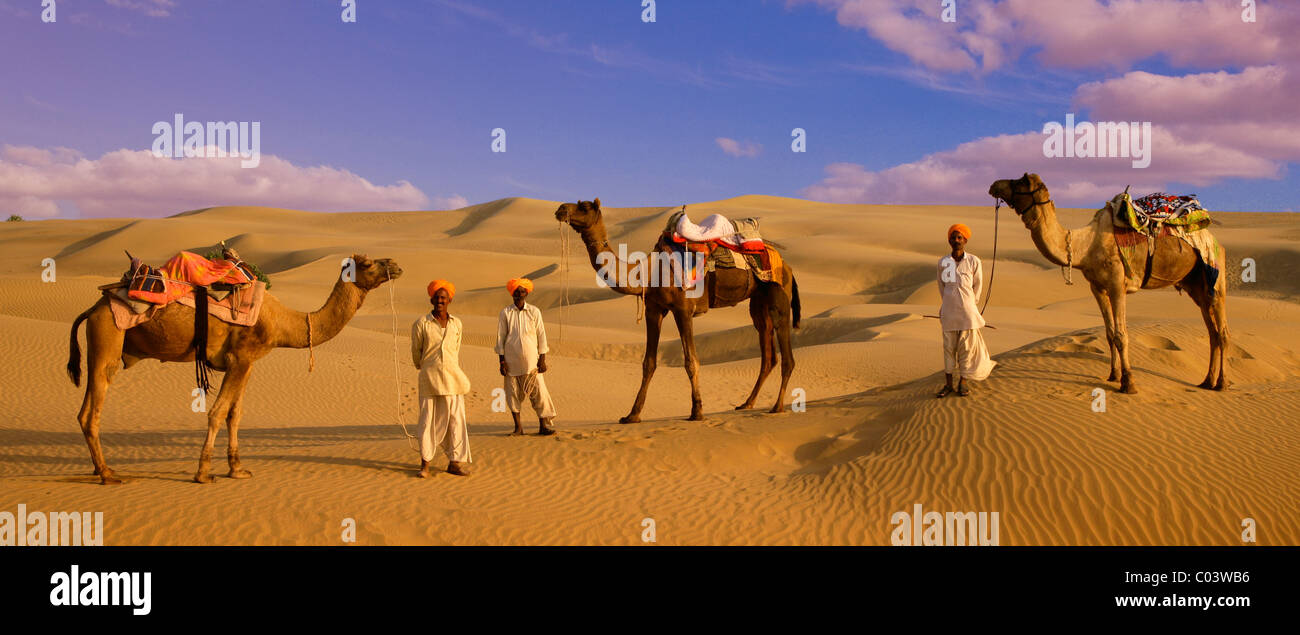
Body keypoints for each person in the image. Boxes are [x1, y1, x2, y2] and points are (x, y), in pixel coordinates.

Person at [411, 280, 473, 477]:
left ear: (450, 300)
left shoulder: (457, 324)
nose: (440, 300)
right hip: (429, 379)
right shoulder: (421, 323)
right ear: (431, 299)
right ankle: (425, 464)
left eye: (443, 298)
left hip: (453, 379)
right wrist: (429, 366)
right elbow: (416, 353)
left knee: (456, 421)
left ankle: (455, 462)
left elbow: (456, 349)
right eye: (437, 297)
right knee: (427, 422)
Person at [936, 223, 996, 397]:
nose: (956, 240)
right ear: (949, 240)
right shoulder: (943, 262)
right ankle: (948, 385)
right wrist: (949, 301)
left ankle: (963, 381)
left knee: (967, 348)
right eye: (953, 237)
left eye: (959, 237)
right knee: (948, 348)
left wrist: (971, 303)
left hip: (967, 312)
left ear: (965, 240)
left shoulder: (973, 261)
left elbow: (978, 285)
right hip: (948, 312)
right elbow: (943, 287)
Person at [494, 277, 557, 436]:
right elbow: (500, 338)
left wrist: (542, 359)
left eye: (522, 291)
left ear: (526, 293)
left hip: (532, 362)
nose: (519, 294)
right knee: (512, 394)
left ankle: (543, 425)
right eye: (516, 291)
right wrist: (502, 362)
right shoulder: (505, 313)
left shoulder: (534, 311)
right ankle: (518, 428)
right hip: (511, 362)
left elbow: (541, 335)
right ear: (512, 293)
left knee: (539, 393)